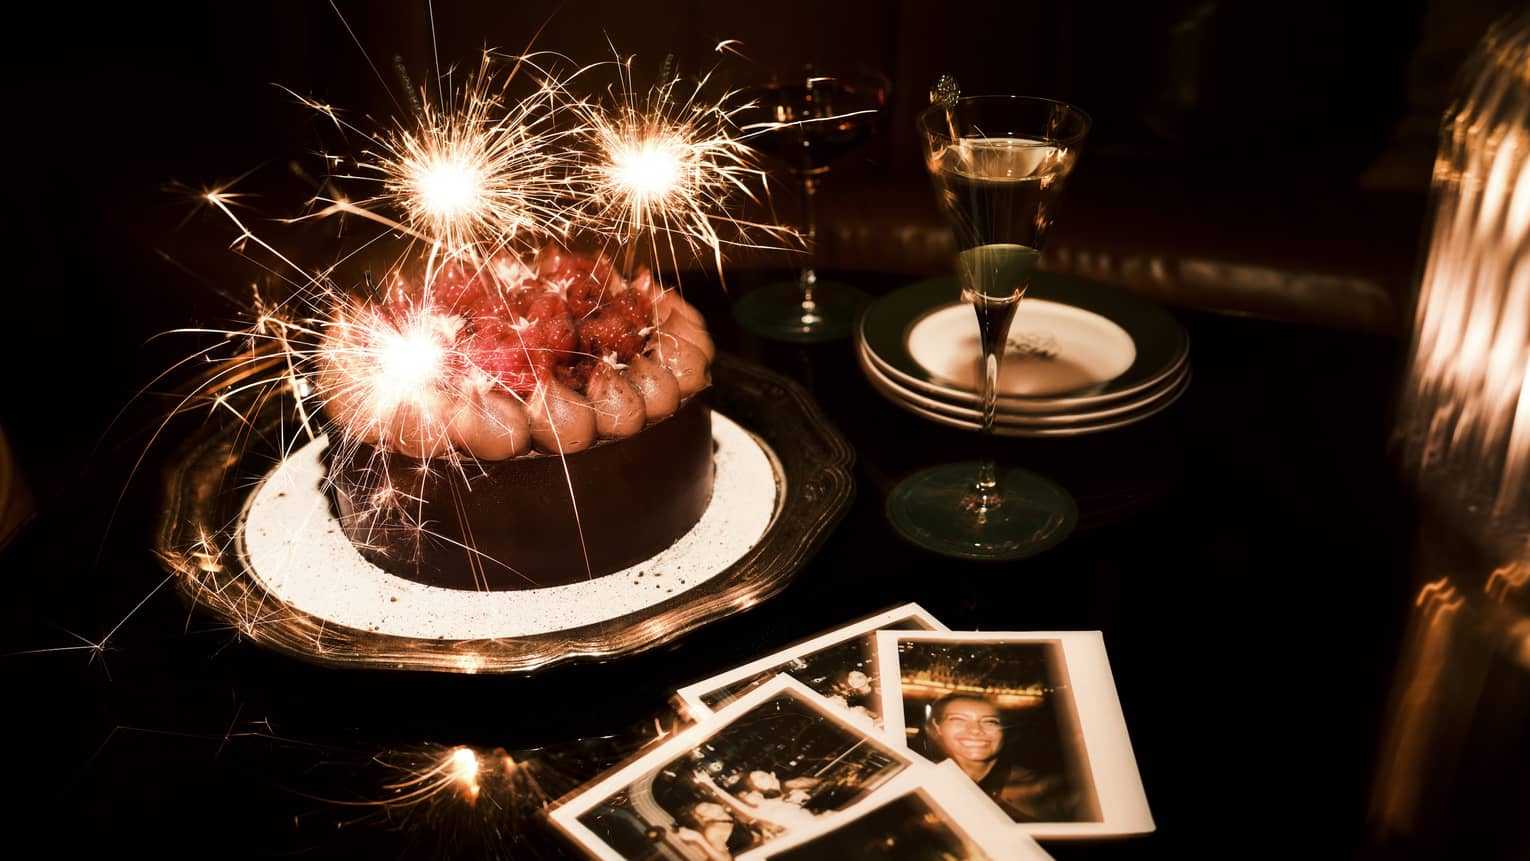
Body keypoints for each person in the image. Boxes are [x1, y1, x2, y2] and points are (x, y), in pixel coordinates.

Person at [913, 692, 1077, 822]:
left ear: (1003, 730)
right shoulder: (919, 781)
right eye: (958, 720)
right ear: (937, 727)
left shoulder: (1046, 788)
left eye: (990, 722)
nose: (975, 730)